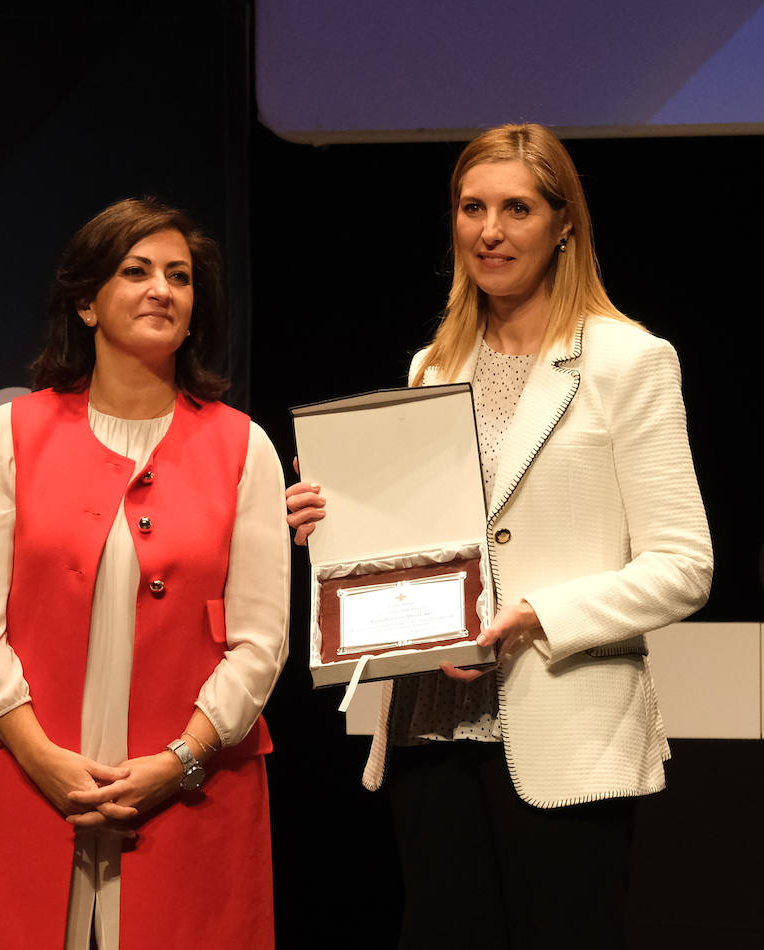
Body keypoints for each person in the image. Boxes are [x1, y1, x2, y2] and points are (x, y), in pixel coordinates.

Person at [286, 123, 713, 948]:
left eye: (517, 208)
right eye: (472, 207)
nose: (490, 230)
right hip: (430, 728)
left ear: (563, 224)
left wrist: (534, 615)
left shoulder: (628, 359)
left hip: (565, 733)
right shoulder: (430, 368)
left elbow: (684, 567)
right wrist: (337, 527)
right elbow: (420, 545)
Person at [0, 197, 290, 950]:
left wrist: (179, 761)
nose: (162, 290)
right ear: (86, 302)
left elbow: (260, 642)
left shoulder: (245, 448)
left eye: (179, 277)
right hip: (15, 785)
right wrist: (39, 757)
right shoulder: (11, 433)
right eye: (136, 271)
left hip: (190, 798)